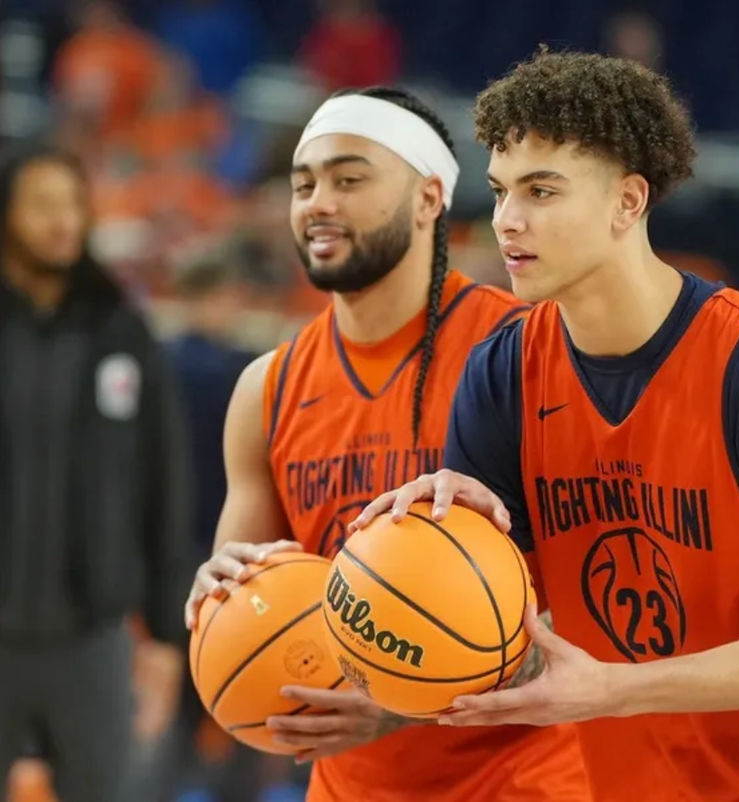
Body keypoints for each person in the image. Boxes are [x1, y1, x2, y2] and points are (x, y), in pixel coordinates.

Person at [352, 49, 739, 801]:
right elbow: (500, 638)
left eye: (542, 190)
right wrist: (405, 573)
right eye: (498, 191)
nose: (506, 221)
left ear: (628, 202)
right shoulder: (502, 376)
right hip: (649, 777)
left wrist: (614, 689)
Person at [181, 85, 588, 802]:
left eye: (349, 179)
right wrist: (220, 599)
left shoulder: (525, 353)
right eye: (303, 185)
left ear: (430, 197)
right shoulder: (266, 389)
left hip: (526, 778)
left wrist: (413, 696)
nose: (318, 203)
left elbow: (599, 607)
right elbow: (249, 602)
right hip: (351, 788)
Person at [0, 141, 191, 802]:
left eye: (74, 204)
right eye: (43, 205)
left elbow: (164, 485)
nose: (63, 221)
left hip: (91, 640)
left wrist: (167, 634)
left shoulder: (120, 330)